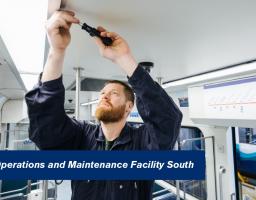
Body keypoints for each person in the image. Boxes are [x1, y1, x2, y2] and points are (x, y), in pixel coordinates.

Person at [25, 10, 182, 200]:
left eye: (113, 94)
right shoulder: (81, 137)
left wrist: (124, 59)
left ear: (128, 107)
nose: (104, 97)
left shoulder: (142, 142)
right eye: (102, 93)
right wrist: (56, 52)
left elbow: (167, 119)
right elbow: (46, 128)